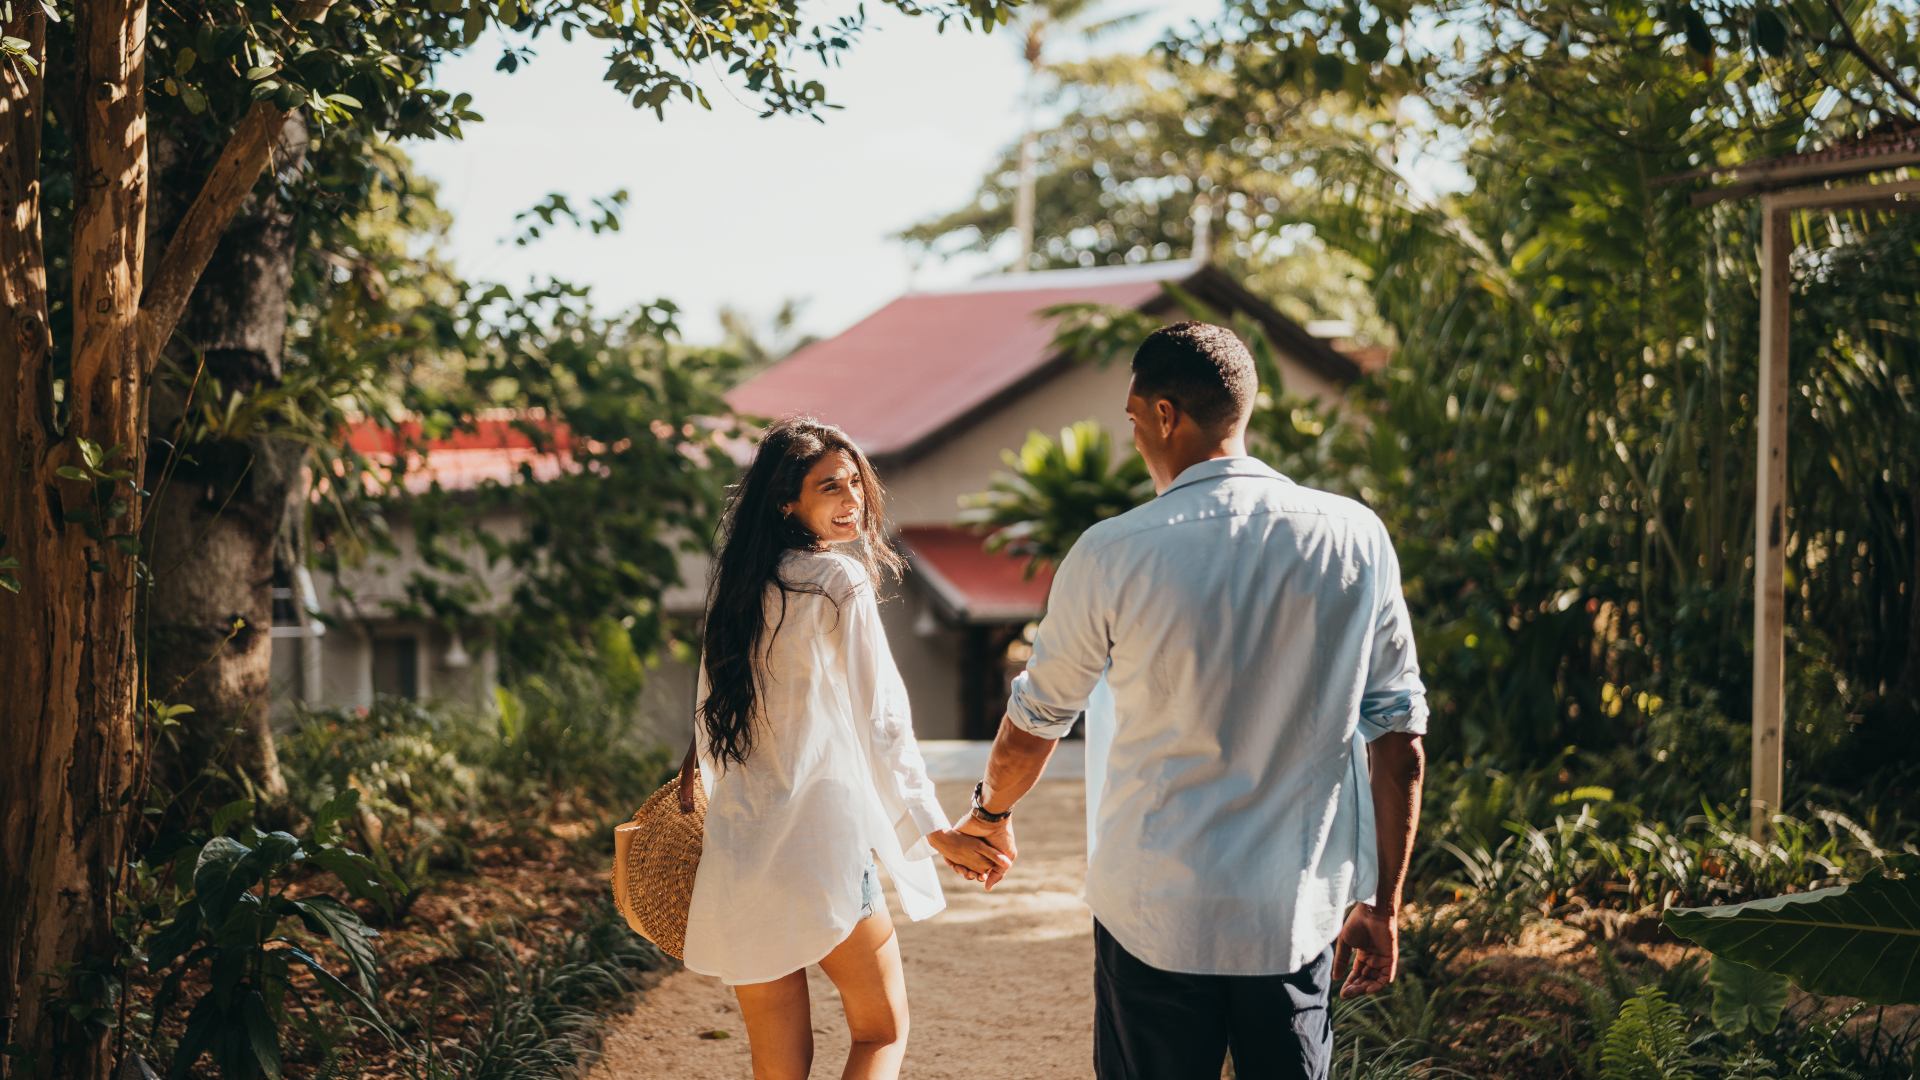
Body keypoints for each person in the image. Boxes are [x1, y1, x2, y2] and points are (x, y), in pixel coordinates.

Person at [954, 322, 1429, 1080]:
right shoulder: (1356, 537)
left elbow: (1035, 723)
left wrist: (990, 813)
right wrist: (1384, 905)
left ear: (1165, 415)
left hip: (1155, 913)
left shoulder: (1113, 552)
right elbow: (1399, 740)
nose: (1136, 436)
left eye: (1134, 418)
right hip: (1292, 915)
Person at [676, 416, 1006, 1080]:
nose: (851, 499)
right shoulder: (836, 581)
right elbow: (880, 722)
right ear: (785, 500)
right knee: (882, 1030)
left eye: (856, 481)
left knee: (778, 1067)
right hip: (819, 846)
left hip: (744, 849)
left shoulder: (738, 589)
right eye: (830, 486)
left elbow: (709, 725)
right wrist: (936, 831)